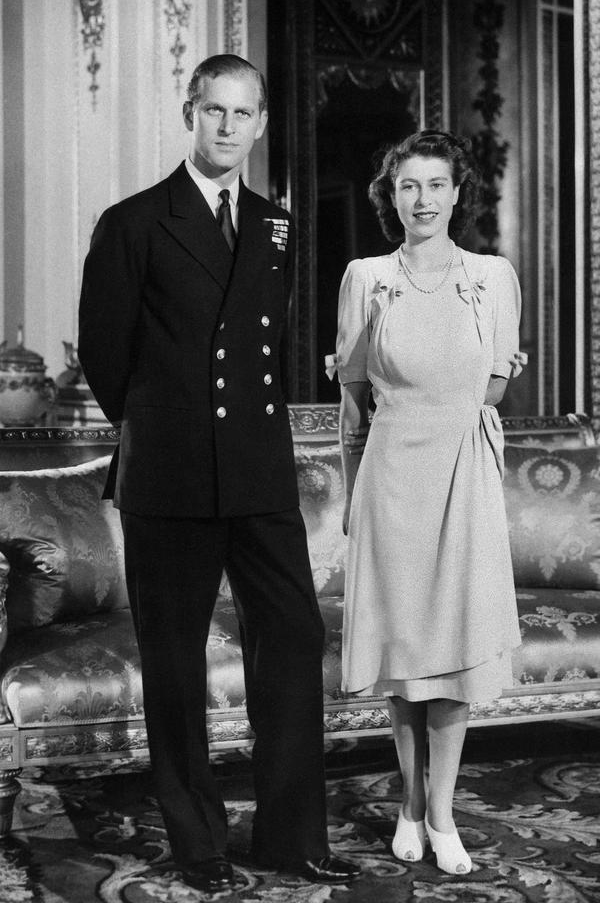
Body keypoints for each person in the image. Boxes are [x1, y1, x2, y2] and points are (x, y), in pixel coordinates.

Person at [78, 54, 360, 894]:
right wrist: (164, 428)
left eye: (243, 115)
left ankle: (289, 836)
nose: (227, 129)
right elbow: (104, 355)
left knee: (296, 636)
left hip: (259, 474)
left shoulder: (274, 225)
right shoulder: (134, 222)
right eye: (213, 112)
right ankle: (197, 842)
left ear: (261, 124)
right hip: (170, 476)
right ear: (189, 114)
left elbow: (269, 346)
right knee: (174, 660)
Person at [334, 130, 524, 875]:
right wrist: (354, 497)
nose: (423, 199)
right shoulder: (364, 277)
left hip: (464, 473)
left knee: (455, 655)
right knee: (408, 658)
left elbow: (496, 386)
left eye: (436, 184)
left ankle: (441, 814)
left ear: (456, 193)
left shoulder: (493, 276)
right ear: (391, 195)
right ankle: (410, 806)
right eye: (408, 185)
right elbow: (353, 399)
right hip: (390, 481)